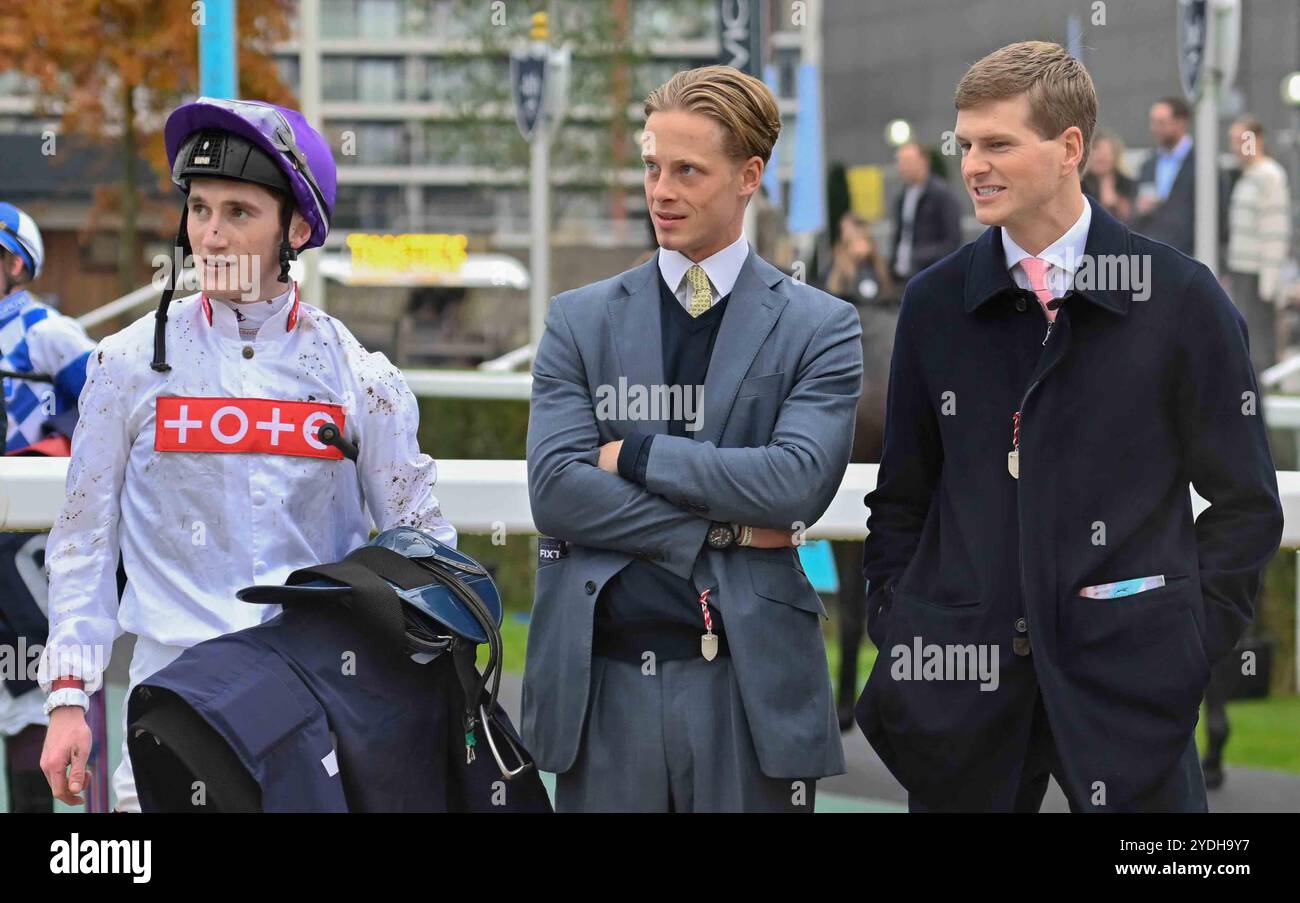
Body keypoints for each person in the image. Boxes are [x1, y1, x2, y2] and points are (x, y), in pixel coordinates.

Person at [857, 41, 1283, 812]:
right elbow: (902, 499)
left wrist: (1185, 644)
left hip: (1132, 697)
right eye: (966, 144)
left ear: (1069, 148)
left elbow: (1247, 505)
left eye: (999, 144)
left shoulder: (1182, 300)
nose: (974, 165)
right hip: (966, 696)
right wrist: (902, 623)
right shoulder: (934, 305)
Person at [37, 98, 457, 812]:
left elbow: (423, 549)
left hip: (316, 713)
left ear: (296, 227)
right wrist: (68, 696)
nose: (213, 235)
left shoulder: (363, 378)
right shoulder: (127, 363)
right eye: (200, 209)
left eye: (239, 212)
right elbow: (82, 540)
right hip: (169, 711)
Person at [522, 65, 862, 812]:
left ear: (749, 176)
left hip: (749, 688)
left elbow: (798, 483)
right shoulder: (578, 320)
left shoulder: (821, 327)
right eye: (651, 166)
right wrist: (734, 528)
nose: (660, 190)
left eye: (687, 170)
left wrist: (638, 456)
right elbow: (556, 493)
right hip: (602, 682)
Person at [0, 201, 94, 812]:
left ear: (14, 263)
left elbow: (111, 411)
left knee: (29, 689)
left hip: (24, 539)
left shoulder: (45, 332)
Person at [1224, 115, 1292, 375]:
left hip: (1258, 274)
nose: (1236, 146)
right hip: (1242, 269)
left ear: (1258, 140)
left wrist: (1269, 281)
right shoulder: (1246, 176)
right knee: (1246, 340)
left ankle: (1262, 401)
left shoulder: (1269, 175)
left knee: (1260, 345)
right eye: (1233, 141)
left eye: (1243, 140)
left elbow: (1275, 230)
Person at [889, 140, 962, 288]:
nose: (902, 167)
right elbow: (900, 234)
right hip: (903, 276)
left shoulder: (942, 194)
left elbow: (952, 240)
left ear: (924, 162)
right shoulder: (903, 195)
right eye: (900, 162)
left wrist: (921, 258)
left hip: (929, 276)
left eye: (907, 162)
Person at [1134, 96, 1196, 255]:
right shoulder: (1148, 164)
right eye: (1153, 122)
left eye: (1161, 123)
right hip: (1153, 256)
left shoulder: (1202, 164)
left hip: (1190, 257)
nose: (1155, 128)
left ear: (1181, 123)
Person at [823, 211, 898, 307]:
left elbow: (887, 292)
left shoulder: (877, 263)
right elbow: (832, 290)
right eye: (843, 230)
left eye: (848, 230)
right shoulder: (839, 260)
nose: (844, 234)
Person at [1081, 130, 1135, 223]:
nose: (1101, 157)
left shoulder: (1127, 184)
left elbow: (1133, 216)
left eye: (1106, 155)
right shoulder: (1081, 185)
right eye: (1097, 151)